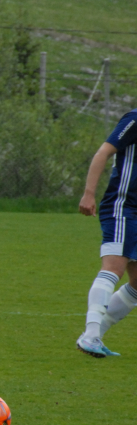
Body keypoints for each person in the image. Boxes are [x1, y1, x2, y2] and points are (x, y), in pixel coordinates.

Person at [76, 108, 137, 358]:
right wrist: (89, 193)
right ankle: (90, 335)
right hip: (124, 207)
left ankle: (94, 335)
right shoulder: (134, 119)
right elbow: (103, 152)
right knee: (113, 268)